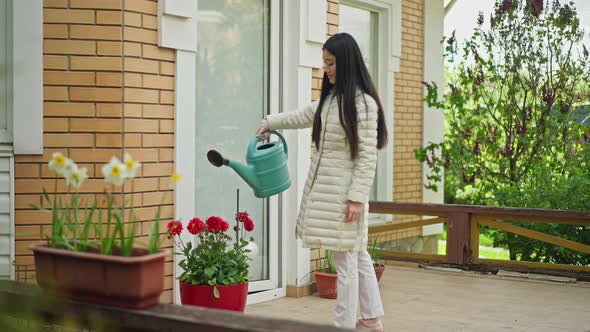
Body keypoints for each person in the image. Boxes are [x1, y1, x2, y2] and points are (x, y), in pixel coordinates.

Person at [256, 33, 388, 331]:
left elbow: (368, 157)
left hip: (343, 199)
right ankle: (371, 319)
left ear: (347, 63)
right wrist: (269, 122)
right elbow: (301, 115)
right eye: (324, 63)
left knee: (345, 263)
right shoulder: (331, 101)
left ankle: (344, 325)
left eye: (331, 63)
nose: (326, 69)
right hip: (330, 195)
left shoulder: (364, 105)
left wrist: (356, 198)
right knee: (358, 254)